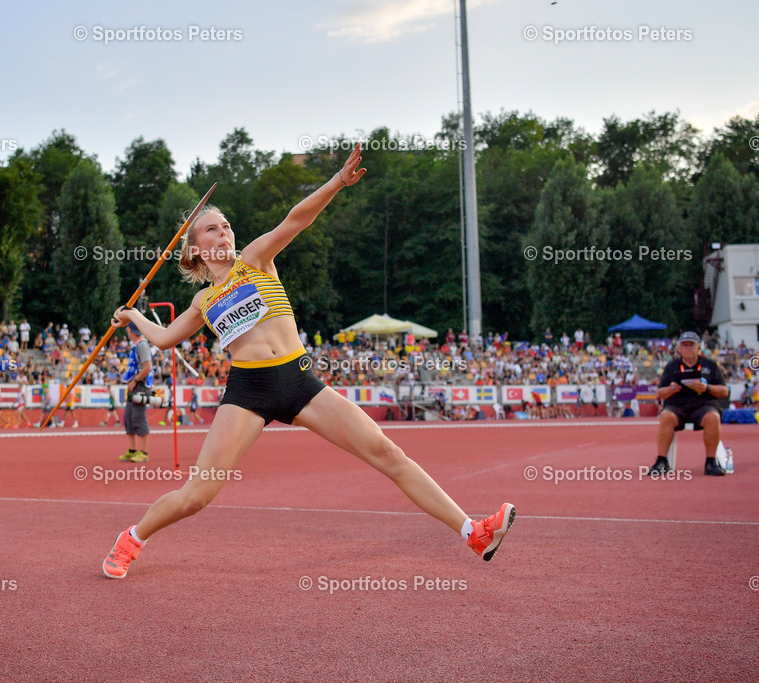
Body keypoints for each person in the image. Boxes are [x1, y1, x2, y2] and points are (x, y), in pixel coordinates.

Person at [102, 145, 515, 580]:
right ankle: (131, 538)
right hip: (248, 392)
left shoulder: (255, 260)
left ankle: (473, 531)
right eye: (210, 230)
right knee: (198, 494)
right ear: (194, 249)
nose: (223, 233)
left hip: (299, 381)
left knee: (386, 450)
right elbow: (165, 338)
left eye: (226, 226)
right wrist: (133, 316)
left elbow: (296, 219)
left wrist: (337, 182)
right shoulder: (202, 300)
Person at [647, 331, 731, 477]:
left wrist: (708, 388)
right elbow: (660, 393)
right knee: (666, 416)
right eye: (685, 345)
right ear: (679, 348)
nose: (688, 348)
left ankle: (710, 462)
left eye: (691, 345)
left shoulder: (710, 365)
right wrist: (672, 389)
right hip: (677, 406)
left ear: (699, 347)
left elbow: (724, 391)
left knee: (713, 417)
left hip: (704, 405)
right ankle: (661, 461)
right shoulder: (672, 366)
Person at [119, 322, 153, 463]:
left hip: (140, 385)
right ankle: (133, 450)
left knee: (138, 417)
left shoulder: (142, 345)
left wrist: (134, 380)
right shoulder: (137, 346)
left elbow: (147, 367)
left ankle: (144, 452)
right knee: (129, 417)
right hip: (135, 385)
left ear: (130, 330)